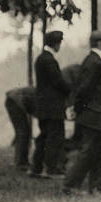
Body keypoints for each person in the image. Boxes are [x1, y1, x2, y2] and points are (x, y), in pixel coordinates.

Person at [62, 31, 101, 194]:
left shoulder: (98, 61)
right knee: (89, 151)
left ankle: (97, 186)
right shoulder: (94, 62)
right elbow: (84, 90)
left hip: (97, 114)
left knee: (99, 151)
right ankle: (70, 185)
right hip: (92, 115)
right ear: (100, 43)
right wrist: (78, 110)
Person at [32, 30, 71, 179]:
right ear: (55, 43)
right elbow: (57, 81)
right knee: (54, 138)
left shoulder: (41, 58)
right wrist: (69, 89)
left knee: (44, 136)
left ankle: (37, 167)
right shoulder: (49, 60)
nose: (60, 46)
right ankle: (51, 169)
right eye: (59, 43)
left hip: (43, 106)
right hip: (53, 106)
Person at [5, 86, 36, 171]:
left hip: (14, 99)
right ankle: (21, 163)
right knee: (23, 132)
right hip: (13, 101)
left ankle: (20, 161)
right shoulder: (45, 98)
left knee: (23, 132)